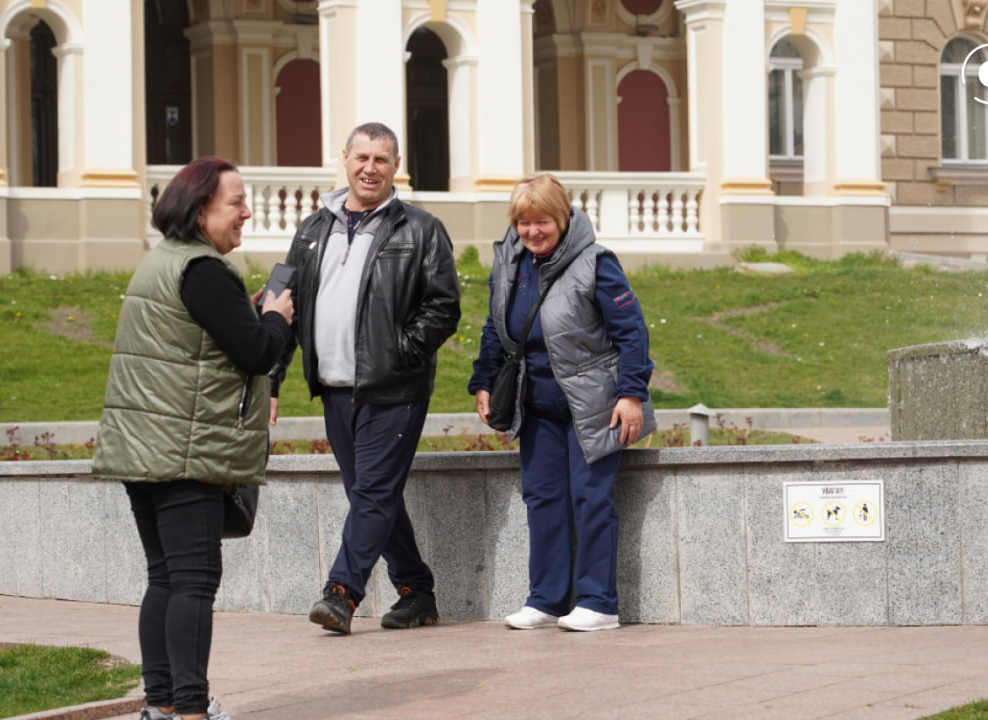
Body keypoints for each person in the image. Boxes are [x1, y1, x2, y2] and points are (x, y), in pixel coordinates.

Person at [92, 157, 294, 720]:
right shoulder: (204, 271)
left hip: (144, 448)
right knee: (194, 584)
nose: (247, 211)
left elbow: (200, 341)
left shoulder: (161, 262)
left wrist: (250, 314)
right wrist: (276, 316)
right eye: (236, 201)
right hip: (185, 454)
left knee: (165, 578)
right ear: (201, 208)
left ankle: (159, 706)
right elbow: (256, 352)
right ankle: (190, 711)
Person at [270, 122, 461, 635]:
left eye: (381, 159)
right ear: (346, 160)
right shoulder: (312, 230)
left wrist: (401, 352)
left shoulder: (420, 229)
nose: (370, 168)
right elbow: (285, 307)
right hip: (334, 387)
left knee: (373, 493)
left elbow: (443, 307)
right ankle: (416, 592)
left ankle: (341, 593)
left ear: (395, 165)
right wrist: (270, 378)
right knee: (372, 496)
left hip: (394, 387)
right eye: (362, 158)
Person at [468, 173, 655, 632]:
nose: (533, 232)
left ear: (564, 217)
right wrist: (484, 381)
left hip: (594, 402)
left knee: (590, 497)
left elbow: (632, 332)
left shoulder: (596, 262)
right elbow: (497, 329)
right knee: (543, 499)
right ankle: (546, 600)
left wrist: (631, 394)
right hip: (537, 404)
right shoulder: (510, 263)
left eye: (542, 222)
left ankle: (598, 603)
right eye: (524, 222)